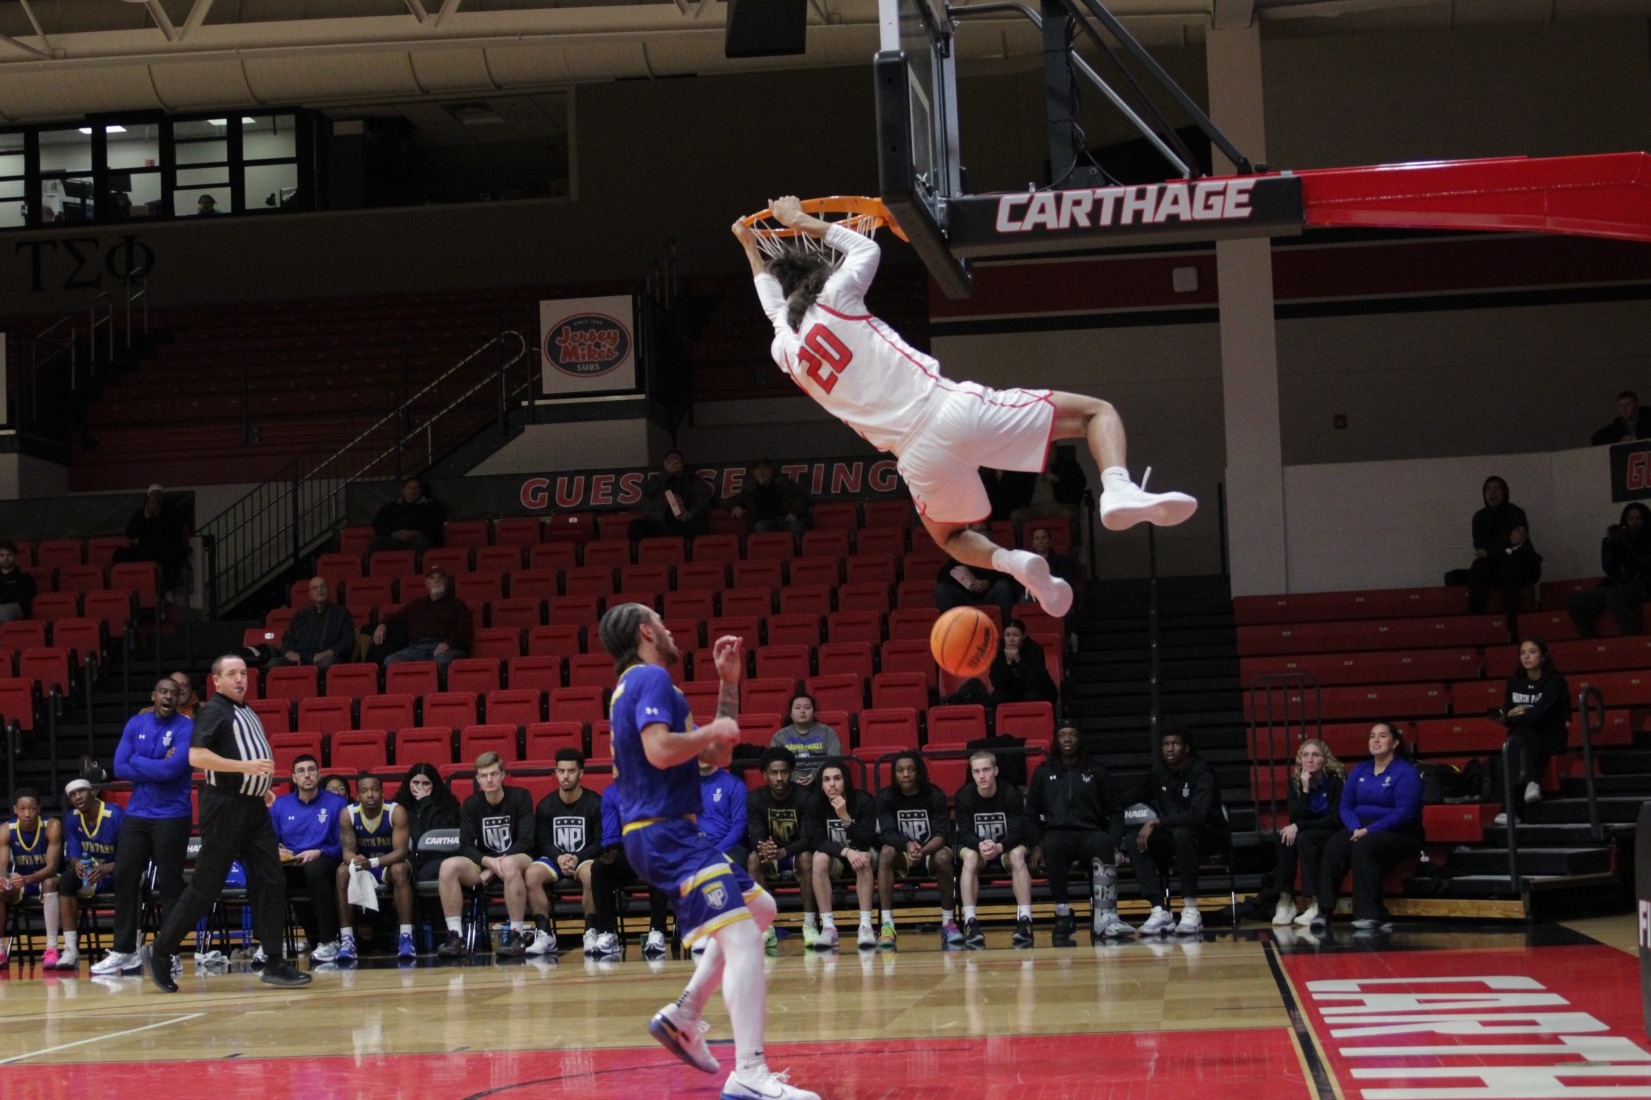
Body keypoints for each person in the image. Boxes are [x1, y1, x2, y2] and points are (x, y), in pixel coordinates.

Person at [733, 196, 1195, 620]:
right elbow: (864, 250)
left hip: (914, 455)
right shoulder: (836, 298)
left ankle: (1015, 563)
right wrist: (801, 222)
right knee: (1095, 413)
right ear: (815, 277)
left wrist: (751, 247)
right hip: (948, 409)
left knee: (951, 538)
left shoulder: (785, 351)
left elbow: (771, 306)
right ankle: (1118, 489)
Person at [597, 602, 817, 1100]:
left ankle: (685, 1011)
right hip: (662, 832)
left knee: (760, 908)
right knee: (743, 940)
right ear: (646, 631)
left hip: (671, 831)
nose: (674, 629)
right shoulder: (647, 679)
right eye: (664, 622)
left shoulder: (655, 687)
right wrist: (710, 732)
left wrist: (728, 686)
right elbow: (659, 749)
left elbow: (717, 753)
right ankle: (750, 1074)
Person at [145, 653, 311, 991]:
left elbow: (246, 754)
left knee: (271, 879)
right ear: (217, 681)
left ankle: (275, 962)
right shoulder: (213, 710)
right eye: (232, 674)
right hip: (224, 808)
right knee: (206, 887)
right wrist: (245, 771)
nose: (240, 679)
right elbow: (196, 756)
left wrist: (259, 787)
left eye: (244, 673)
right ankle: (160, 951)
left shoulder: (245, 710)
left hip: (252, 807)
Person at [92, 678, 194, 977]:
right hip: (137, 814)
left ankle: (169, 953)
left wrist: (139, 762)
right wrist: (153, 765)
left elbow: (172, 770)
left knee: (170, 885)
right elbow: (119, 767)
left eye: (174, 694)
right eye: (163, 692)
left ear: (179, 700)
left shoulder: (187, 728)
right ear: (153, 695)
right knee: (124, 877)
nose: (168, 697)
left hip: (172, 815)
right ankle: (125, 952)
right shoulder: (136, 723)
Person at [1306, 721, 1424, 933]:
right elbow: (1346, 806)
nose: (1376, 740)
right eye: (1372, 736)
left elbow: (1405, 813)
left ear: (1395, 742)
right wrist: (1354, 828)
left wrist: (1369, 830)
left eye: (1382, 736)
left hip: (1399, 832)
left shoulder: (1406, 772)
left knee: (1364, 846)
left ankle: (1369, 915)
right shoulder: (1360, 769)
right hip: (1360, 827)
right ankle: (1324, 911)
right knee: (1334, 846)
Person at [1028, 722, 1131, 945]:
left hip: (1089, 832)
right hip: (1058, 833)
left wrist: (1115, 843)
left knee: (1103, 842)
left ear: (1080, 739)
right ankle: (1063, 914)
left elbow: (1115, 811)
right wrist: (1035, 845)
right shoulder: (1044, 772)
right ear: (1056, 739)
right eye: (1062, 735)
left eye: (1072, 735)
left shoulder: (1097, 771)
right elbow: (1031, 814)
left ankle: (1105, 916)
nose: (1067, 739)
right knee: (1051, 845)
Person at [1118, 730, 1227, 937]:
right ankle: (1159, 909)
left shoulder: (1202, 771)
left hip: (1210, 835)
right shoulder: (1160, 773)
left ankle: (1191, 910)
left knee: (1182, 834)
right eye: (1166, 744)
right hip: (1176, 833)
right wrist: (1103, 801)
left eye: (1175, 743)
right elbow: (1135, 793)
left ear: (1186, 748)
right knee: (1136, 838)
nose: (1169, 748)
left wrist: (1157, 822)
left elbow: (1198, 815)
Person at [436, 752, 536, 959]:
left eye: (493, 774)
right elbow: (464, 845)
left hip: (520, 858)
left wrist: (496, 865)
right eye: (484, 776)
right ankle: (455, 937)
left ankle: (516, 934)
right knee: (448, 866)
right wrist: (489, 863)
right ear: (478, 779)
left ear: (502, 775)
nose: (489, 780)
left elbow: (527, 840)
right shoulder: (471, 804)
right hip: (485, 862)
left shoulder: (521, 797)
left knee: (508, 864)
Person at [874, 751, 960, 949]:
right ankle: (887, 924)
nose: (906, 774)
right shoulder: (886, 797)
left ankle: (948, 922)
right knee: (886, 852)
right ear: (894, 773)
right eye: (900, 770)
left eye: (911, 769)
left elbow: (941, 834)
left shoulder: (935, 795)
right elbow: (887, 833)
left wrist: (923, 850)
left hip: (930, 851)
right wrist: (907, 846)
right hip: (901, 852)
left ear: (919, 771)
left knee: (943, 856)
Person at [269, 754, 350, 963]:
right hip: (292, 864)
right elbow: (271, 841)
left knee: (314, 869)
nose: (307, 775)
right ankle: (267, 946)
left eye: (311, 769)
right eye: (301, 771)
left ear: (318, 774)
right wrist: (278, 852)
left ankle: (328, 941)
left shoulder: (338, 803)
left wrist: (320, 851)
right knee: (266, 873)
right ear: (293, 778)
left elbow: (344, 845)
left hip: (325, 861)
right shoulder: (280, 805)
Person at [524, 748, 604, 958]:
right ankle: (544, 933)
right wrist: (558, 857)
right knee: (531, 874)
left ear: (581, 773)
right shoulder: (545, 805)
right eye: (561, 771)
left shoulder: (595, 803)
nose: (566, 776)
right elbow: (542, 842)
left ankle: (590, 930)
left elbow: (600, 842)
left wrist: (577, 857)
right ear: (556, 772)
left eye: (571, 771)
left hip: (584, 858)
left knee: (591, 873)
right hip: (555, 858)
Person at [1257, 738, 1346, 928]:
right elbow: (1295, 816)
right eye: (1305, 755)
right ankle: (1286, 899)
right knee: (1284, 837)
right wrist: (1305, 790)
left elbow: (1335, 819)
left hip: (1331, 832)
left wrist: (1300, 826)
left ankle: (1315, 903)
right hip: (1309, 830)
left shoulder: (1335, 781)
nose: (1310, 760)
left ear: (1324, 760)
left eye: (1315, 755)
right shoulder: (1297, 782)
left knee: (1303, 838)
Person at [954, 750, 1035, 949]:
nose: (981, 776)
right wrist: (979, 845)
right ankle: (970, 923)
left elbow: (1018, 831)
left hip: (1006, 847)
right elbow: (964, 833)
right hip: (977, 848)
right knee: (970, 858)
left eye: (986, 770)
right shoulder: (964, 796)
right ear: (972, 774)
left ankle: (1025, 921)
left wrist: (1000, 846)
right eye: (976, 771)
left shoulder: (1011, 793)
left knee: (1017, 856)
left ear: (995, 771)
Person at [333, 773, 416, 965]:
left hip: (389, 863)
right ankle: (347, 939)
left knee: (399, 870)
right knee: (342, 872)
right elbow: (346, 852)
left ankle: (405, 937)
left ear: (383, 792)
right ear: (357, 794)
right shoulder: (348, 814)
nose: (370, 794)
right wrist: (355, 860)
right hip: (365, 866)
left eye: (374, 789)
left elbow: (402, 852)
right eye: (364, 791)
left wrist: (374, 862)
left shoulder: (396, 811)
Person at [585, 783, 673, 962]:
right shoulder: (610, 793)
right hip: (626, 852)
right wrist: (609, 852)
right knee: (599, 867)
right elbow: (610, 835)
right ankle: (607, 933)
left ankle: (657, 931)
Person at [1490, 637, 1571, 824]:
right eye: (1522, 652)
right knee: (1518, 739)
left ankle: (1509, 810)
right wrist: (1510, 716)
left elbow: (1539, 716)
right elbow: (1508, 715)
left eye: (1532, 652)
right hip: (1525, 736)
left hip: (1550, 735)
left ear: (1543, 656)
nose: (1526, 656)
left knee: (1518, 740)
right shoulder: (1514, 682)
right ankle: (1532, 782)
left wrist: (1514, 715)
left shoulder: (1554, 682)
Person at [745, 746, 818, 952]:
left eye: (784, 772)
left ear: (791, 773)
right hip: (772, 855)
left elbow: (809, 838)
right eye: (774, 773)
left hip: (794, 852)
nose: (779, 778)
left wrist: (783, 852)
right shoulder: (755, 798)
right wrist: (764, 848)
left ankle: (810, 923)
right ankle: (765, 926)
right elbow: (755, 835)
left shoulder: (805, 796)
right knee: (753, 859)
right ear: (765, 775)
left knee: (806, 858)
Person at [802, 758, 879, 951]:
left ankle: (865, 926)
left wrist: (845, 816)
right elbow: (817, 841)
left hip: (863, 854)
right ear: (821, 784)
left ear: (846, 781)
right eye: (826, 780)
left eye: (837, 778)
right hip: (836, 857)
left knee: (864, 857)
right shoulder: (814, 803)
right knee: (818, 858)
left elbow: (865, 842)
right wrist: (846, 851)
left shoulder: (863, 800)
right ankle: (828, 928)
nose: (832, 784)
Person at [1456, 476, 1541, 638]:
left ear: (1505, 492)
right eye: (1488, 489)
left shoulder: (1516, 513)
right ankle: (1476, 624)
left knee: (1510, 566)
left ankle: (1512, 626)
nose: (1492, 493)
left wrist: (1492, 552)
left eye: (1497, 489)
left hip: (1519, 563)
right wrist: (1507, 543)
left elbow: (1518, 545)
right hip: (1493, 565)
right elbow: (1479, 548)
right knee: (1478, 568)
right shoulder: (1479, 517)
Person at [55, 777, 124, 970]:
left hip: (117, 870)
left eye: (82, 792)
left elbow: (131, 855)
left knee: (127, 878)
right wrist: (77, 865)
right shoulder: (71, 818)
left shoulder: (115, 814)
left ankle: (127, 948)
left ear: (92, 792)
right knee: (67, 879)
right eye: (73, 795)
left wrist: (107, 868)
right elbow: (74, 856)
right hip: (93, 875)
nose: (78, 797)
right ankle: (70, 949)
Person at [0, 788, 63, 969]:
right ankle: (1, 951)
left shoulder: (51, 825)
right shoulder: (6, 829)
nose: (27, 814)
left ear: (39, 809)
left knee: (50, 883)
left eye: (32, 809)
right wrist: (3, 878)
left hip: (48, 879)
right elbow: (3, 867)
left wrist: (27, 879)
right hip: (23, 881)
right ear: (15, 809)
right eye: (22, 809)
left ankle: (52, 949)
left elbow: (51, 867)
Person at [1567, 503, 1651, 637]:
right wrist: (1609, 543)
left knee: (1616, 595)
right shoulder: (1619, 539)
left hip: (1643, 584)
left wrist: (1626, 542)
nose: (1634, 523)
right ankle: (1592, 641)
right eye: (1630, 519)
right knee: (1574, 601)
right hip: (1618, 584)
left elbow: (1645, 563)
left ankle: (1631, 638)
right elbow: (1609, 569)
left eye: (1638, 519)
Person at [373, 566, 472, 672]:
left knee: (442, 662)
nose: (436, 580)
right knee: (390, 661)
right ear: (426, 583)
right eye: (432, 578)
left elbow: (465, 630)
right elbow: (395, 618)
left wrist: (449, 644)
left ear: (446, 582)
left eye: (440, 577)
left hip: (446, 647)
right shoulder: (416, 605)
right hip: (417, 647)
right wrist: (382, 625)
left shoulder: (458, 605)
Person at [394, 761, 461, 888]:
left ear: (434, 785)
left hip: (437, 857)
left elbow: (446, 832)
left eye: (426, 784)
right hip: (408, 858)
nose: (420, 788)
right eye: (415, 783)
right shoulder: (398, 806)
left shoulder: (449, 804)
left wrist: (426, 802)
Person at [115, 484, 189, 594]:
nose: (154, 499)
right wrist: (146, 518)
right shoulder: (140, 513)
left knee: (172, 555)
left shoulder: (172, 513)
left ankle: (167, 591)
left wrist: (158, 515)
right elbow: (130, 533)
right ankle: (126, 589)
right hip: (144, 550)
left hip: (165, 550)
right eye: (151, 496)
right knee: (119, 554)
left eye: (157, 496)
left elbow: (173, 532)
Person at [268, 578, 356, 671]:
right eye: (315, 588)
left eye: (323, 587)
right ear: (310, 594)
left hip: (326, 658)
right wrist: (289, 654)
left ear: (328, 590)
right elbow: (287, 639)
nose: (319, 590)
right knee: (273, 663)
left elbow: (348, 640)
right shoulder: (300, 615)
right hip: (300, 658)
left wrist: (327, 653)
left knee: (326, 664)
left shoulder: (342, 613)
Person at [629, 450, 714, 543]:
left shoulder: (693, 480)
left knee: (700, 525)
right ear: (665, 463)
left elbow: (702, 500)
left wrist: (690, 514)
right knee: (635, 526)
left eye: (676, 461)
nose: (674, 463)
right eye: (670, 461)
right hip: (658, 523)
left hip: (682, 523)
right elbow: (648, 491)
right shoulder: (657, 479)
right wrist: (666, 473)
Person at [934, 539, 1018, 627]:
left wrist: (987, 583)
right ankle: (950, 629)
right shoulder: (959, 557)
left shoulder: (996, 556)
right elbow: (942, 576)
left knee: (1003, 586)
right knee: (941, 589)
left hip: (990, 597)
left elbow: (1009, 576)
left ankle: (1007, 629)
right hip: (965, 600)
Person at [727, 458, 811, 539]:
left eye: (764, 468)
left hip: (787, 519)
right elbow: (728, 500)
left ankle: (797, 553)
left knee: (796, 526)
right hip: (765, 522)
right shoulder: (750, 490)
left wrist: (794, 512)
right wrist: (735, 506)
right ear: (753, 473)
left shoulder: (785, 484)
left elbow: (801, 499)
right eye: (757, 469)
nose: (761, 472)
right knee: (760, 527)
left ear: (771, 470)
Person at [768, 694, 841, 786]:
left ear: (814, 712)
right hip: (789, 783)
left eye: (807, 707)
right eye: (797, 708)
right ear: (790, 713)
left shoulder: (827, 732)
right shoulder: (779, 736)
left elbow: (834, 760)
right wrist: (794, 777)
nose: (802, 711)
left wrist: (815, 775)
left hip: (822, 781)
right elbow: (775, 764)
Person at [986, 619, 1058, 707]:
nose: (1011, 639)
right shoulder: (998, 650)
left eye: (1015, 635)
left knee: (1032, 696)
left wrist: (1018, 660)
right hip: (1012, 690)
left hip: (1036, 688)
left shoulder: (1034, 649)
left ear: (1023, 636)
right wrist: (1008, 663)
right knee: (997, 697)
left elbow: (1035, 681)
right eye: (1007, 635)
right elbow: (997, 683)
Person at [368, 477, 446, 558]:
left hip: (418, 539)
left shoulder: (432, 507)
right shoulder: (390, 507)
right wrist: (392, 534)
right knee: (377, 542)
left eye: (416, 488)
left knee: (421, 541)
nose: (412, 492)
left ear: (421, 490)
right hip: (394, 540)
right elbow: (378, 524)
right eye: (409, 488)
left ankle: (419, 568)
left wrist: (415, 533)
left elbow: (435, 526)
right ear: (403, 490)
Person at [0, 539, 38, 624]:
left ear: (15, 556)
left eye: (9, 555)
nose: (5, 558)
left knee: (3, 612)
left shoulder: (25, 578)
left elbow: (25, 600)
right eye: (2, 555)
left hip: (16, 609)